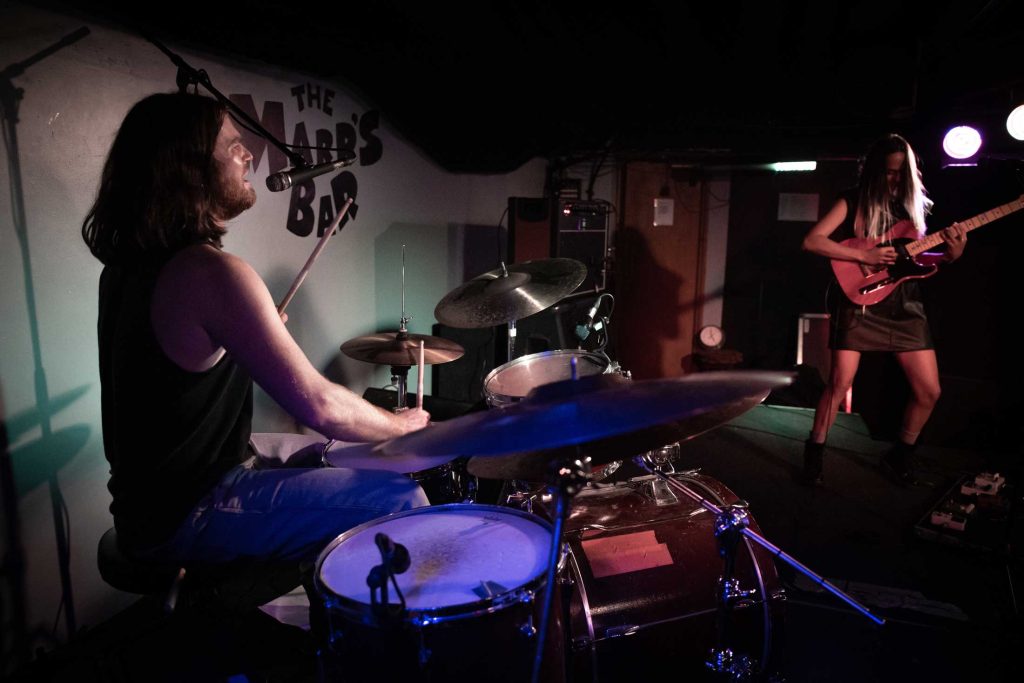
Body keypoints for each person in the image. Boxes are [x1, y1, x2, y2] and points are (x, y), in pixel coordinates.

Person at [82, 92, 431, 581]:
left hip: (146, 502)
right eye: (233, 146)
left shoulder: (127, 269)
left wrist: (240, 334)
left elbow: (168, 373)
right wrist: (403, 426)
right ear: (189, 169)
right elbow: (321, 405)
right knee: (401, 497)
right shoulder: (211, 272)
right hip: (187, 509)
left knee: (330, 451)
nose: (248, 155)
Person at [800, 134, 967, 486]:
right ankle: (814, 451)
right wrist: (863, 255)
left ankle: (899, 456)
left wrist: (949, 256)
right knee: (839, 383)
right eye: (888, 172)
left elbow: (913, 259)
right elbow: (812, 241)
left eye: (900, 172)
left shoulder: (916, 207)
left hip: (905, 305)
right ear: (874, 171)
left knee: (929, 391)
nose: (894, 179)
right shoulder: (852, 200)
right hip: (858, 300)